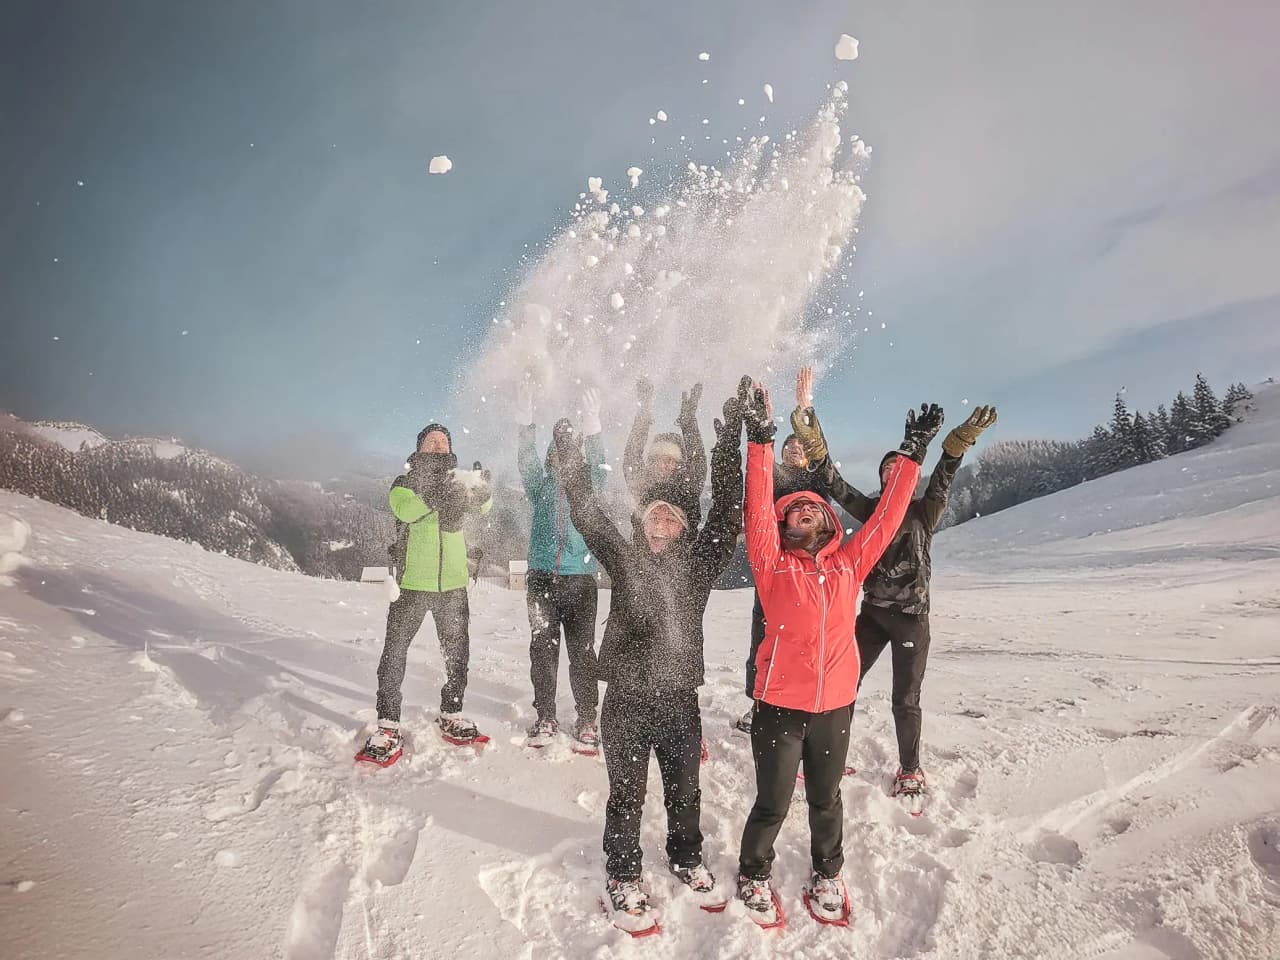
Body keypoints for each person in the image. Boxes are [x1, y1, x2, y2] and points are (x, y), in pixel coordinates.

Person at [736, 379, 942, 926]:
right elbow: (758, 509)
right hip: (779, 707)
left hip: (832, 708)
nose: (802, 517)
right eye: (794, 515)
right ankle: (753, 872)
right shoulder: (772, 565)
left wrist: (911, 457)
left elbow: (888, 518)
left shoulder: (849, 563)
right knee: (772, 804)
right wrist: (759, 438)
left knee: (826, 801)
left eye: (812, 513)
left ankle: (828, 871)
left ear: (829, 522)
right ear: (783, 528)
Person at [554, 387, 744, 930]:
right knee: (627, 793)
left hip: (679, 699)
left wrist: (730, 443)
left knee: (686, 789)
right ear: (643, 522)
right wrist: (571, 466)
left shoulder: (698, 568)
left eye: (671, 520)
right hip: (627, 703)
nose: (661, 526)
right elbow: (589, 517)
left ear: (684, 527)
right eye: (654, 518)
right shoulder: (626, 557)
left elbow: (728, 513)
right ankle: (622, 871)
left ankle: (685, 855)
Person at [791, 398, 997, 797]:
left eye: (895, 467)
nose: (890, 471)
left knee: (905, 699)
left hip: (911, 618)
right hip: (872, 615)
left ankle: (910, 770)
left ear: (905, 476)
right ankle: (827, 758)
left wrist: (957, 443)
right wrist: (816, 447)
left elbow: (943, 477)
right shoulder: (871, 510)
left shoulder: (925, 511)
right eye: (885, 468)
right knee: (842, 685)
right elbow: (835, 485)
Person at [358, 423, 493, 764]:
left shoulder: (458, 479)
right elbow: (404, 509)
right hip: (413, 583)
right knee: (395, 653)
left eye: (443, 441)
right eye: (431, 441)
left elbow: (483, 508)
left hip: (452, 583)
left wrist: (480, 490)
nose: (437, 445)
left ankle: (452, 713)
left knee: (457, 652)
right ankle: (388, 724)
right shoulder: (406, 482)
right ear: (419, 448)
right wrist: (435, 496)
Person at [737, 367, 834, 735]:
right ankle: (758, 704)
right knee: (762, 637)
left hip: (810, 577)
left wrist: (805, 407)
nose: (794, 449)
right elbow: (759, 473)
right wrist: (762, 424)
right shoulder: (774, 478)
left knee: (806, 642)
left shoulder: (816, 483)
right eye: (788, 446)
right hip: (774, 575)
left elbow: (824, 459)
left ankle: (807, 705)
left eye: (800, 447)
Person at [515, 384, 606, 749]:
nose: (560, 457)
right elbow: (526, 460)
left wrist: (594, 425)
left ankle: (587, 719)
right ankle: (546, 716)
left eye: (567, 450)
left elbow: (600, 466)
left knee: (583, 651)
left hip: (581, 579)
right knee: (543, 648)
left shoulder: (588, 483)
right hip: (540, 579)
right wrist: (526, 422)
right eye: (555, 452)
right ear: (551, 457)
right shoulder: (541, 486)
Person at [623, 377, 708, 521]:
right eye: (657, 459)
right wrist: (644, 412)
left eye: (670, 460)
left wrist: (689, 422)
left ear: (680, 464)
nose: (663, 465)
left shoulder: (687, 488)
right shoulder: (643, 486)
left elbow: (697, 461)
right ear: (650, 463)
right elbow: (632, 457)